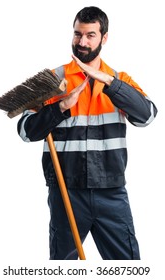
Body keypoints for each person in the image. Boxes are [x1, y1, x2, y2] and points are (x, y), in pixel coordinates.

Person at [17, 6, 157, 260]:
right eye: (77, 34)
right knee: (63, 269)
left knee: (127, 268)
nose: (82, 42)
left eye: (90, 35)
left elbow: (147, 116)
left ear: (104, 38)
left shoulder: (118, 79)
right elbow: (26, 132)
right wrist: (60, 107)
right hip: (65, 192)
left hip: (111, 194)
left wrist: (109, 83)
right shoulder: (52, 80)